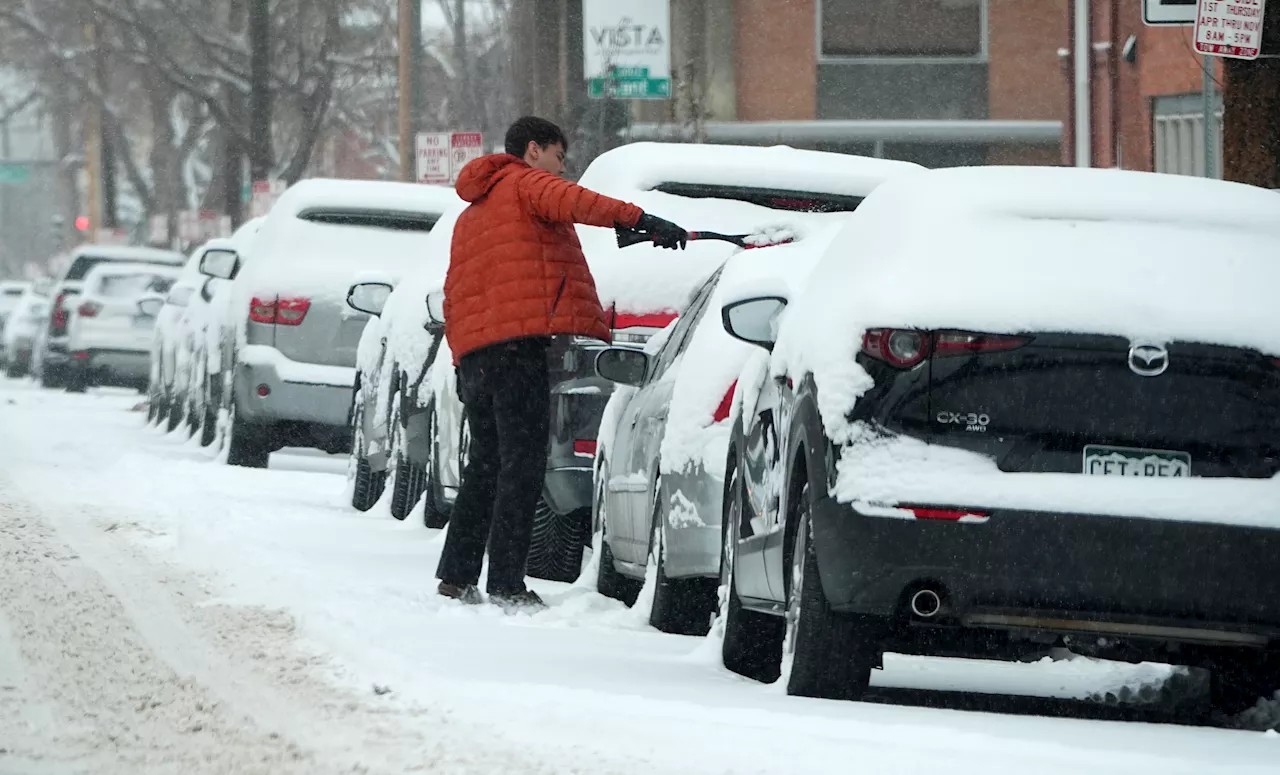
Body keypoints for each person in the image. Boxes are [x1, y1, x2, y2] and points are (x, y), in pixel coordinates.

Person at [436, 116, 687, 610]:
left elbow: (455, 292)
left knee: (485, 465)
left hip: (476, 356)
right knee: (524, 465)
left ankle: (457, 575)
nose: (561, 168)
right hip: (517, 349)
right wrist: (641, 219)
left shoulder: (472, 215)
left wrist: (461, 358)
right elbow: (579, 203)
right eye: (558, 157)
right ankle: (507, 582)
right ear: (533, 150)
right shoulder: (527, 184)